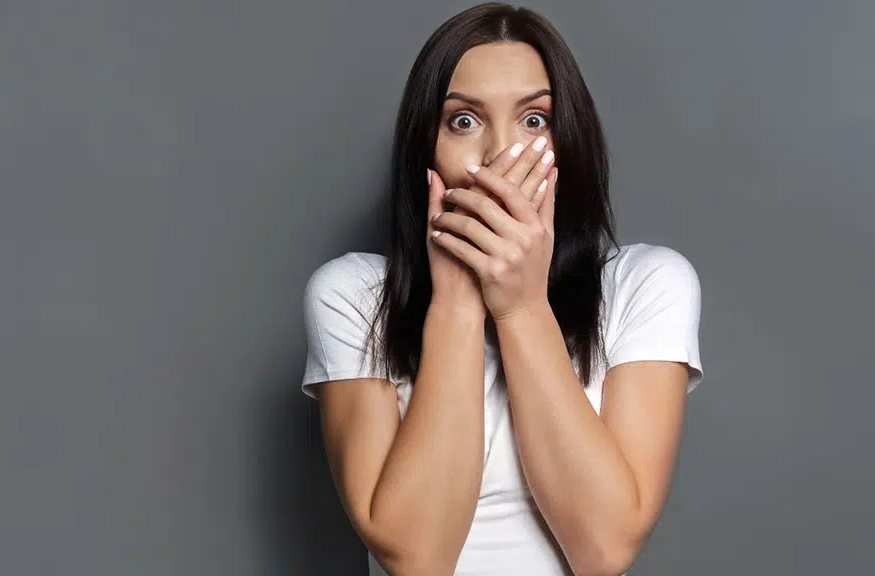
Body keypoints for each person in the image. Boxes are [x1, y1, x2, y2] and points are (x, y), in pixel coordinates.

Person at [300, 3, 704, 575]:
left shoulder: (646, 284)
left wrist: (520, 306)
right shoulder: (354, 294)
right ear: (426, 148)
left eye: (534, 120)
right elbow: (416, 558)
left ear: (570, 142)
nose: (498, 156)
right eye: (463, 121)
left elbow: (605, 550)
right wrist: (459, 301)